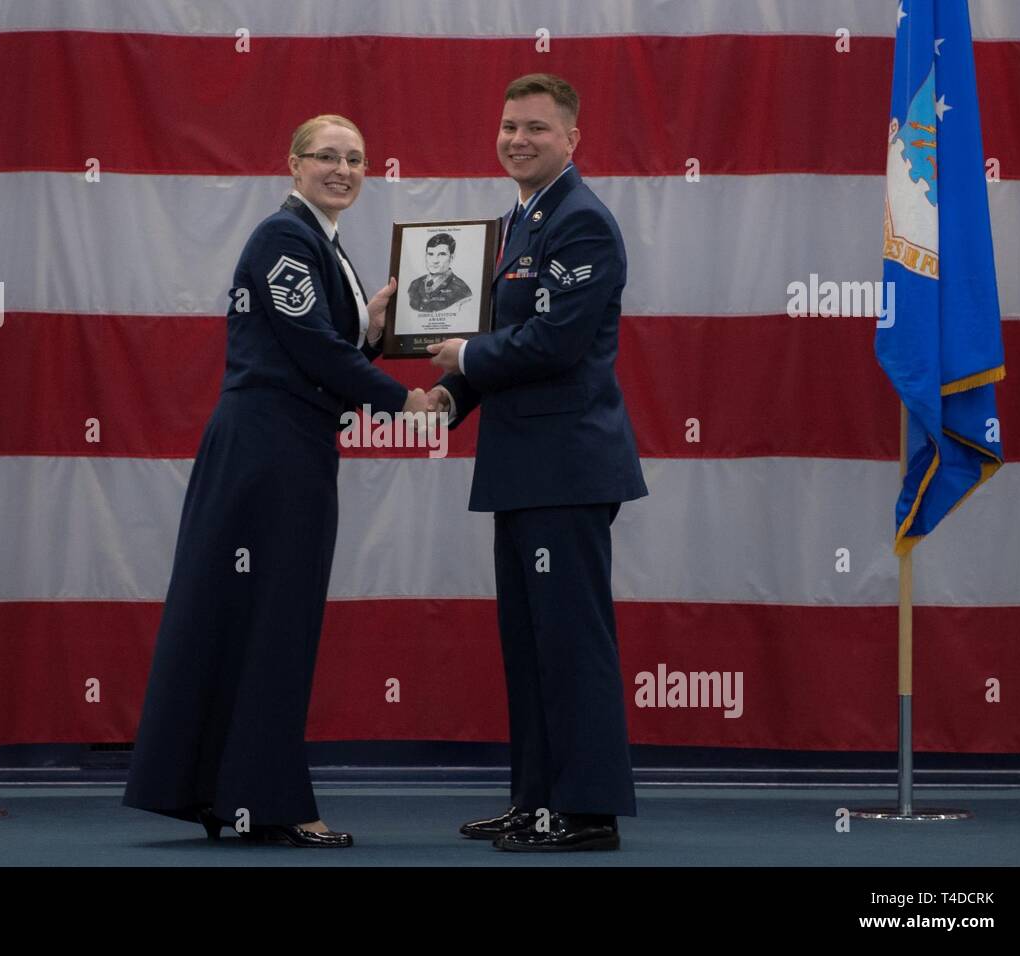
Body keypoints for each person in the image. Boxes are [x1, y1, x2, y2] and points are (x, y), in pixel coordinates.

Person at [123, 114, 431, 848]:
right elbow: (311, 349)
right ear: (292, 165)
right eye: (327, 156)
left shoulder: (320, 242)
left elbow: (319, 344)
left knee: (255, 621)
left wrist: (373, 323)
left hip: (283, 447)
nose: (344, 169)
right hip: (269, 453)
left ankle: (230, 795)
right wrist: (405, 400)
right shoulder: (283, 237)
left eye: (357, 159)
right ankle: (272, 803)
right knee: (274, 626)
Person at [427, 74, 648, 852]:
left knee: (569, 645)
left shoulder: (581, 223)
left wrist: (466, 355)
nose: (518, 139)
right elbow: (498, 343)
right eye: (509, 125)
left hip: (566, 469)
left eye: (537, 129)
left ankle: (584, 812)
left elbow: (552, 344)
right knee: (529, 649)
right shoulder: (518, 224)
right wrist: (449, 397)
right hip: (524, 468)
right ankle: (536, 801)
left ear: (572, 140)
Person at [407, 233, 473, 313]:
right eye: (430, 254)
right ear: (425, 256)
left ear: (451, 257)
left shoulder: (462, 290)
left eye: (442, 254)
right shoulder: (415, 284)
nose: (435, 261)